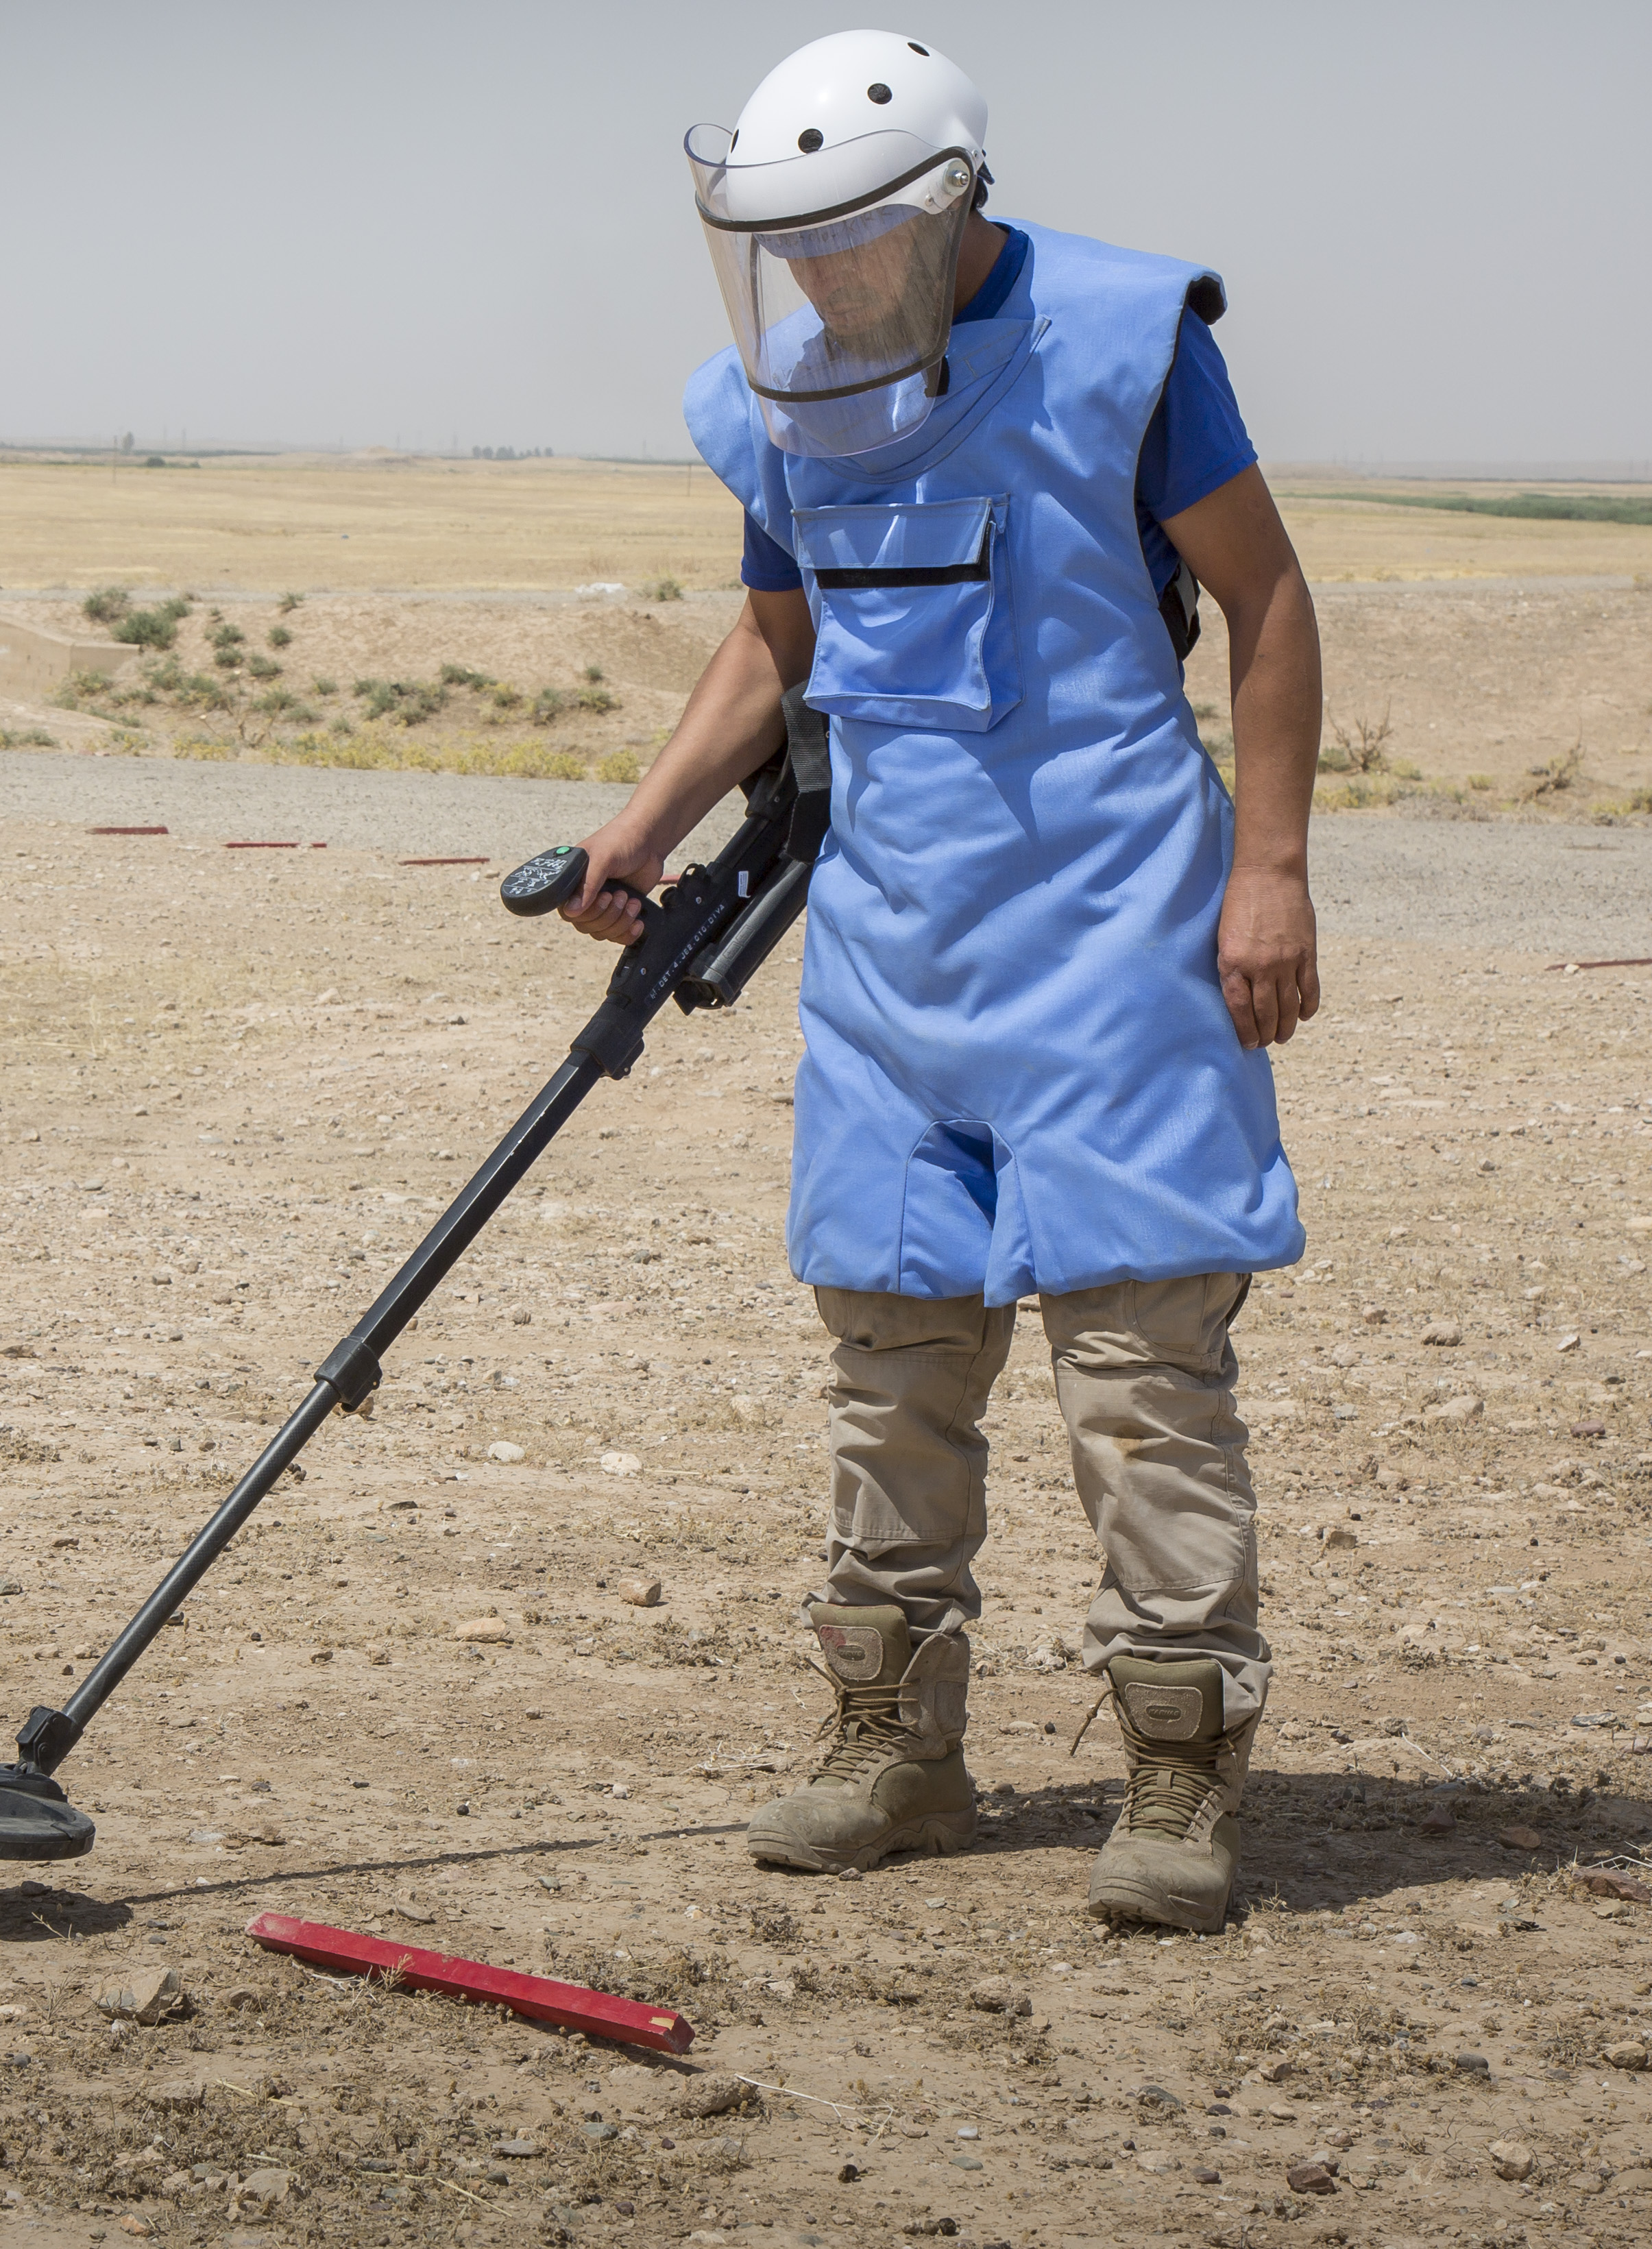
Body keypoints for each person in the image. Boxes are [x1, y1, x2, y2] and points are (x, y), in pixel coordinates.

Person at [559, 29, 1322, 1934]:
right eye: (778, 245)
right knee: (889, 1365)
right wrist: (641, 822)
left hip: (1119, 945)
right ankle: (888, 1744)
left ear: (944, 206)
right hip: (894, 961)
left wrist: (1271, 869)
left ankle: (1175, 1768)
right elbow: (776, 633)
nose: (813, 281)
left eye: (845, 241)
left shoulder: (1127, 338)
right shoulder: (783, 395)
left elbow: (1269, 598)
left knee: (1140, 1376)